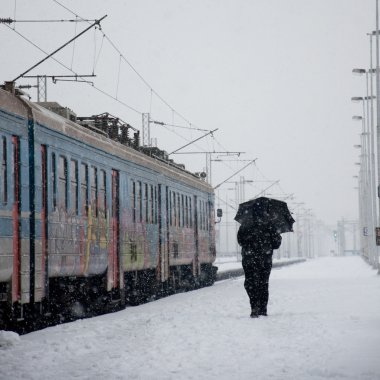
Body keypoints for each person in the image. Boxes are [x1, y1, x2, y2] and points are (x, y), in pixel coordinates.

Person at [237, 221, 282, 318]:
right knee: (263, 284)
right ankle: (262, 309)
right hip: (265, 259)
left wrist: (250, 240)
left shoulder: (245, 225)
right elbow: (276, 244)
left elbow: (240, 241)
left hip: (249, 259)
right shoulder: (271, 225)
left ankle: (254, 307)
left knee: (250, 283)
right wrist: (276, 236)